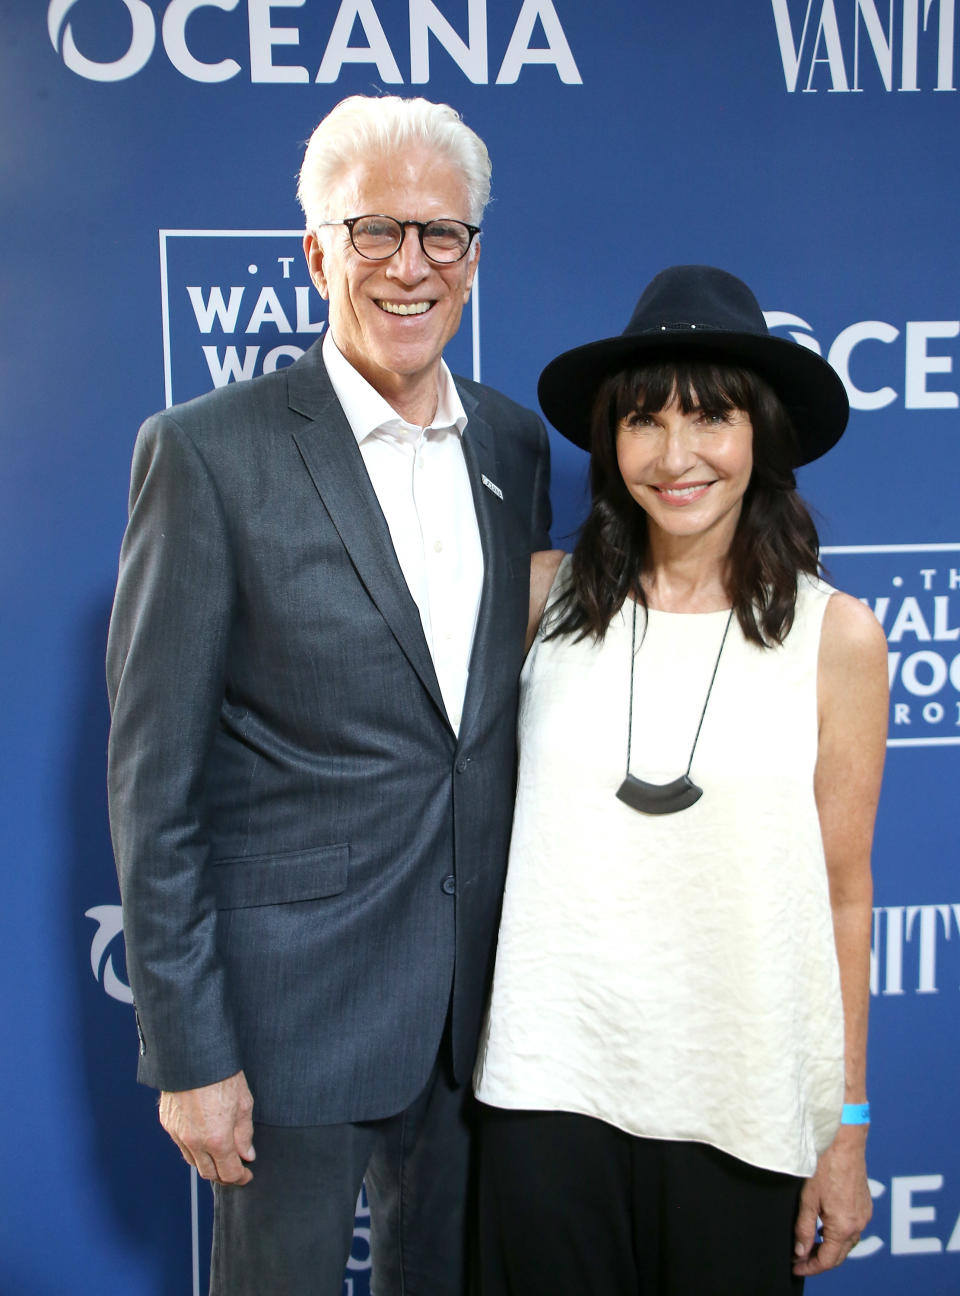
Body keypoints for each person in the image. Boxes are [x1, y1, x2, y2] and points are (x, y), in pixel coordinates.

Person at [106, 94, 551, 1296]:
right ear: (316, 252)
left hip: (480, 1017)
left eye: (442, 234)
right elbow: (155, 785)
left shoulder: (515, 448)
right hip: (286, 1022)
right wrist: (191, 1055)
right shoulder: (208, 452)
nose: (412, 267)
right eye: (376, 232)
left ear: (474, 256)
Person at [473, 265, 887, 1295]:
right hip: (546, 1099)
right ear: (610, 444)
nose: (677, 455)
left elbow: (844, 893)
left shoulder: (836, 636)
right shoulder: (538, 600)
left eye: (711, 419)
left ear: (763, 439)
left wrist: (848, 1130)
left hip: (741, 1110)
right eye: (645, 422)